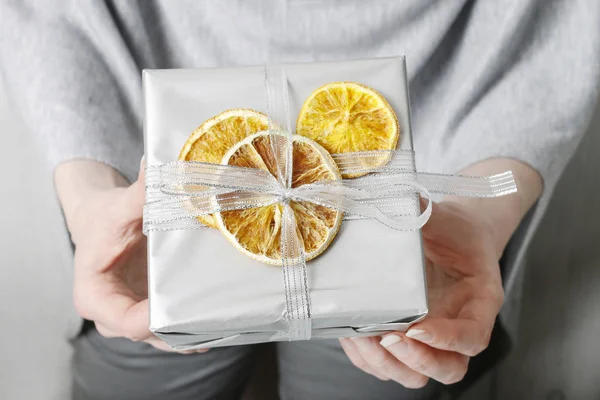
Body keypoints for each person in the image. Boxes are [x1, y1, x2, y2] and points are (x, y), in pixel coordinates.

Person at [1, 1, 598, 399]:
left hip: (415, 197)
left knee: (385, 373)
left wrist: (484, 211)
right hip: (158, 188)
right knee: (135, 377)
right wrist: (91, 200)